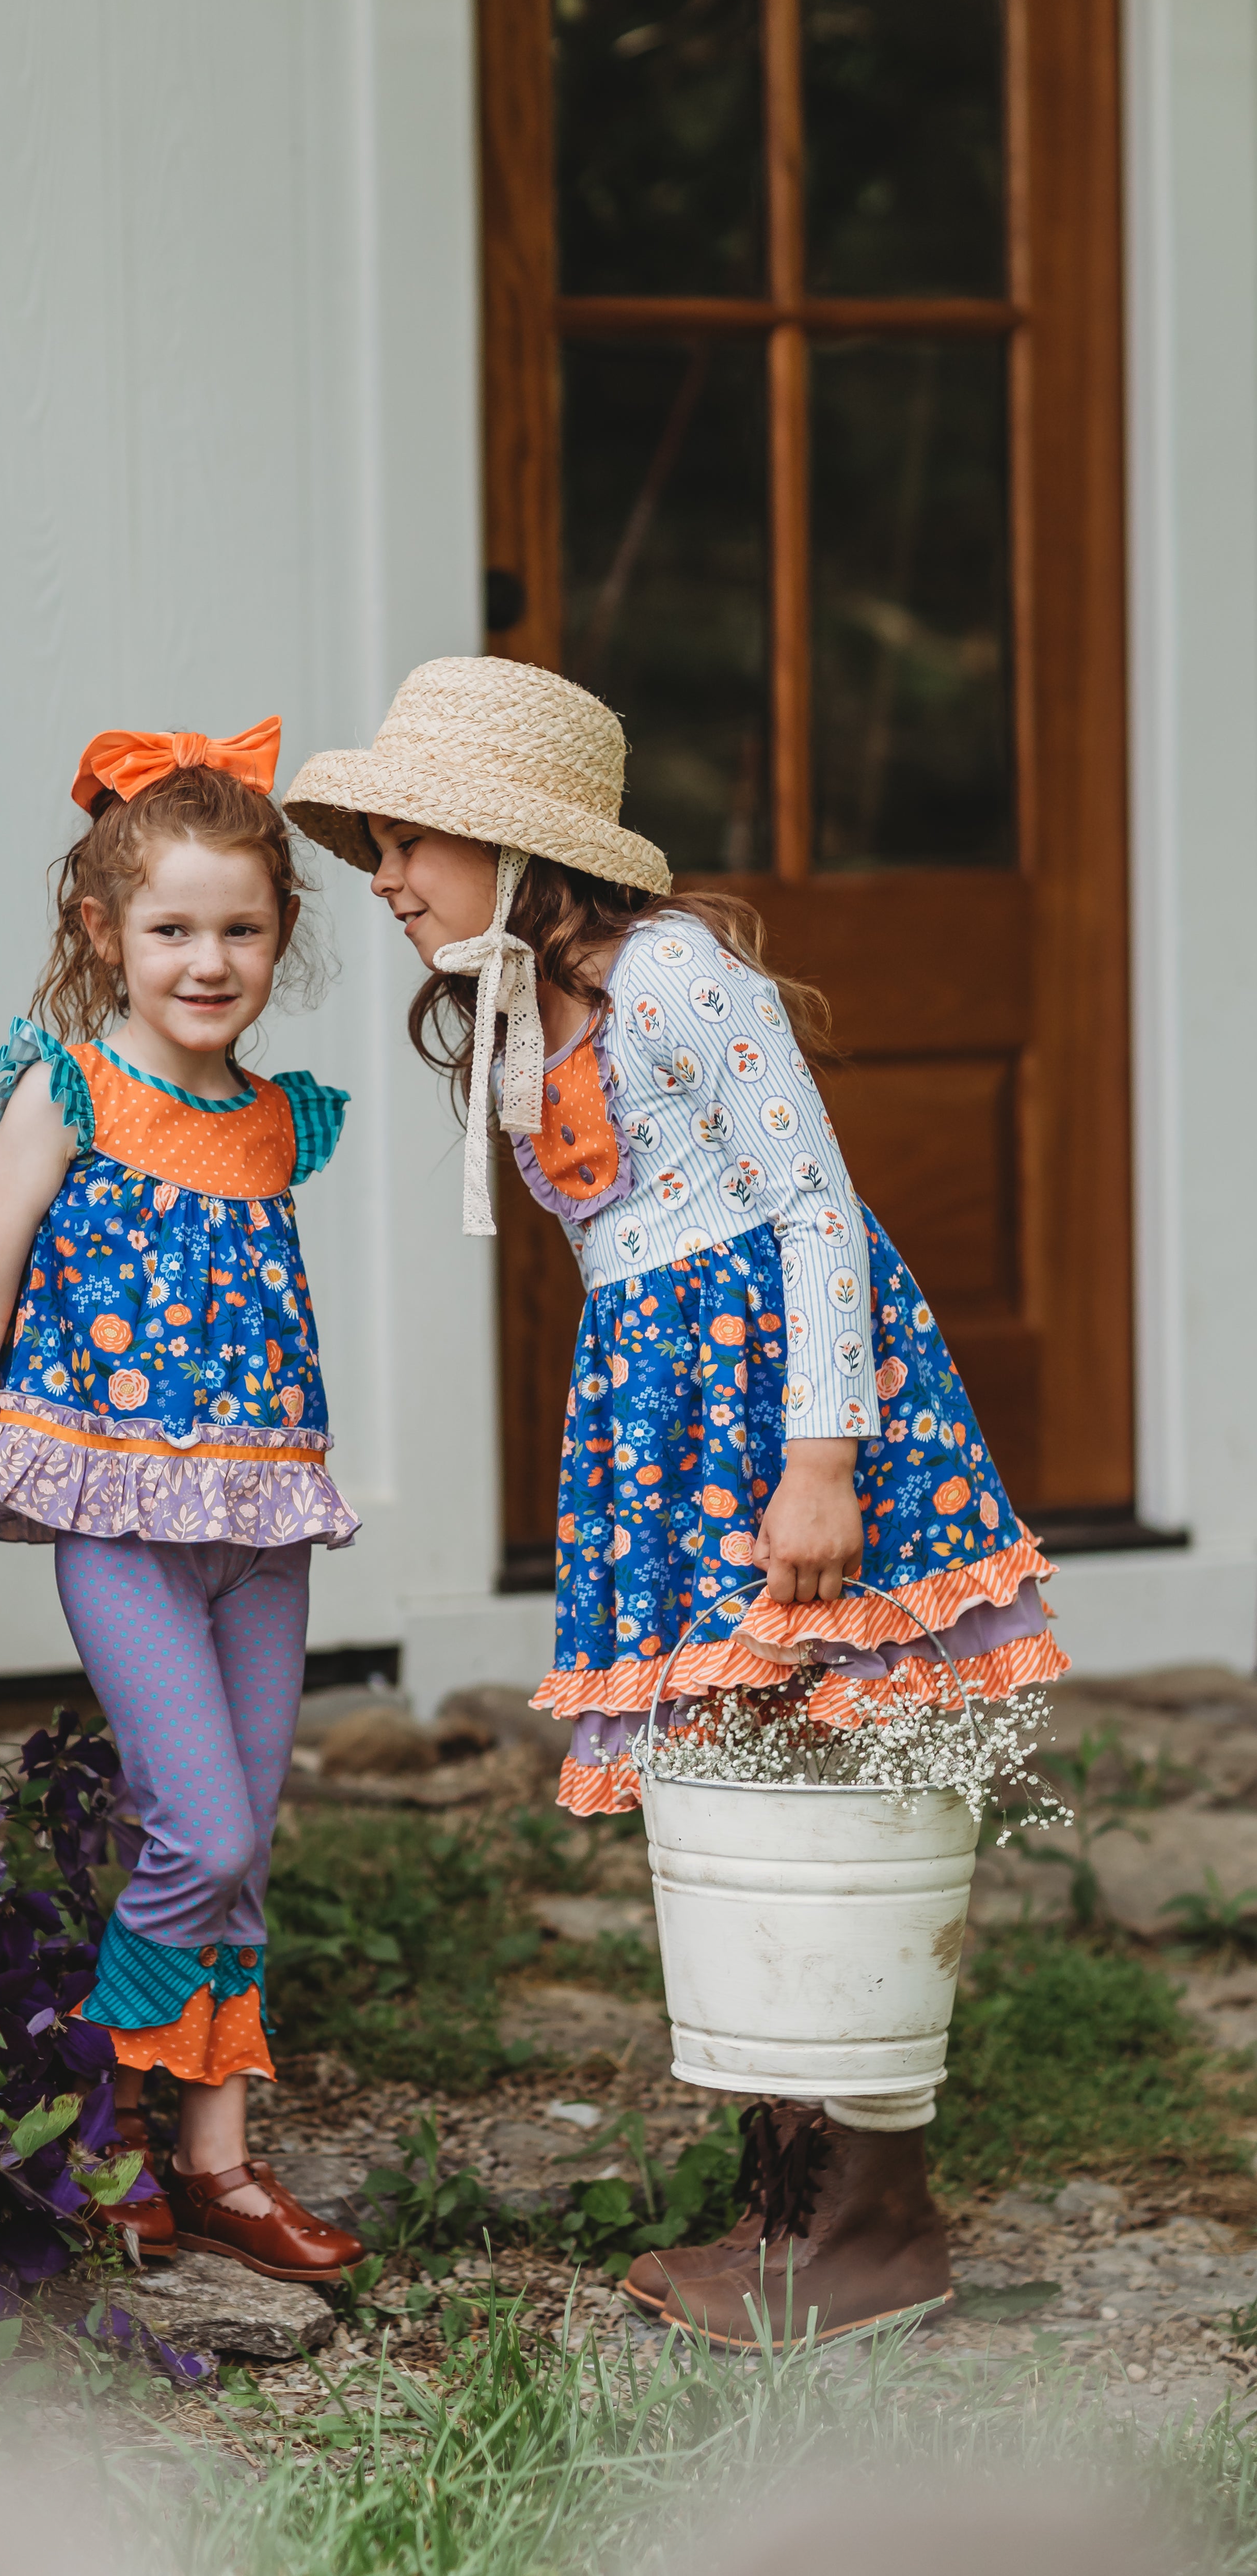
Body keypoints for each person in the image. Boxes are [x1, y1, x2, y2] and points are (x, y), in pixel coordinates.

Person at [283, 654, 1068, 2342]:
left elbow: (817, 1211)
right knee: (732, 1799)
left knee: (844, 1775)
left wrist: (818, 1459)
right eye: (375, 846)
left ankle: (876, 2214)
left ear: (518, 844)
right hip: (658, 1439)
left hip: (788, 1423)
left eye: (408, 838)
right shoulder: (507, 1023)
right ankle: (788, 2194)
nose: (385, 875)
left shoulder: (673, 979)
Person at [0, 717, 365, 2284]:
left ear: (281, 939)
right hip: (118, 1525)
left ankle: (220, 2164)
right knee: (203, 1823)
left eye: (241, 928)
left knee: (241, 1846)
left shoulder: (273, 1120)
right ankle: (109, 2122)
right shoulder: (68, 1089)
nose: (208, 958)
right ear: (104, 931)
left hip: (261, 1527)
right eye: (172, 927)